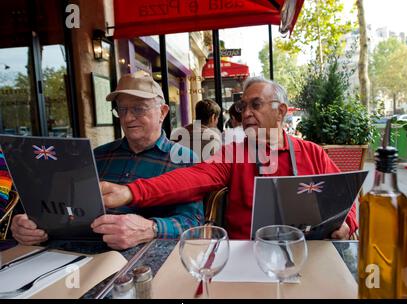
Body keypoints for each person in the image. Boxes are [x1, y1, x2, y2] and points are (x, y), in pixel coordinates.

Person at [101, 77, 358, 240]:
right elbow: (190, 178)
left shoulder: (313, 152)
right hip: (246, 256)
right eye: (242, 107)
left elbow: (346, 195)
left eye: (255, 105)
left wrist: (347, 223)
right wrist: (131, 192)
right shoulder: (234, 154)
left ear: (280, 111)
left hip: (309, 252)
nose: (245, 113)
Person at [10, 71, 204, 249]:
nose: (128, 118)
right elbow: (66, 209)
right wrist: (31, 225)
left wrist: (149, 228)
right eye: (122, 109)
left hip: (137, 260)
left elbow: (192, 224)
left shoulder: (183, 159)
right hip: (69, 254)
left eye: (138, 109)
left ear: (162, 112)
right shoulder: (98, 155)